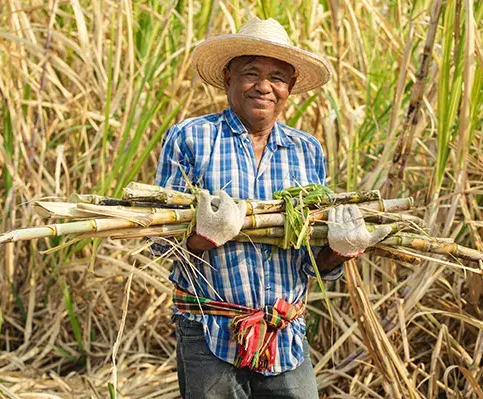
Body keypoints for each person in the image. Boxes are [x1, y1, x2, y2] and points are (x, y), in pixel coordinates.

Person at [153, 17, 390, 399]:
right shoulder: (191, 138)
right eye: (251, 73)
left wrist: (338, 250)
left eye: (278, 77)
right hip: (210, 331)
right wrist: (204, 237)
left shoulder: (306, 151)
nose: (264, 86)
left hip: (284, 334)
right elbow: (162, 243)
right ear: (228, 77)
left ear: (290, 87)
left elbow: (310, 261)